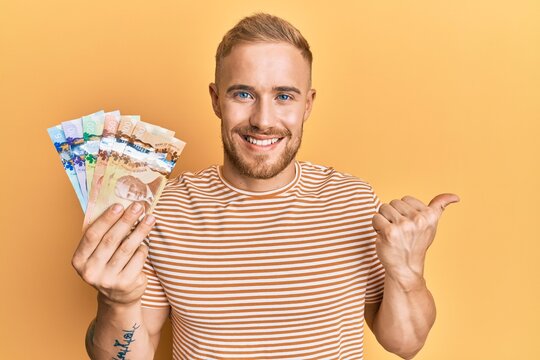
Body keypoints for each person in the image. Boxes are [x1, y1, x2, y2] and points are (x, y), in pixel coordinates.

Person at [71, 13, 459, 360]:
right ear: (215, 100)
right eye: (243, 94)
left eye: (284, 96)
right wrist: (116, 302)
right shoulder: (164, 209)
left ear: (307, 104)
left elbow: (406, 345)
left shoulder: (353, 201)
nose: (263, 119)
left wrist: (407, 272)